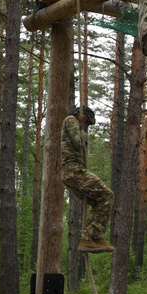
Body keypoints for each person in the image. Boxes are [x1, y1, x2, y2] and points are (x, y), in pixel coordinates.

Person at [62, 105, 115, 253]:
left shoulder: (75, 124)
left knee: (99, 201)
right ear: (83, 117)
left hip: (72, 172)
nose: (87, 127)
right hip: (73, 170)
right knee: (107, 195)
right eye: (87, 123)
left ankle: (93, 238)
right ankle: (89, 238)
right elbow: (78, 143)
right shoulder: (71, 120)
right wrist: (83, 132)